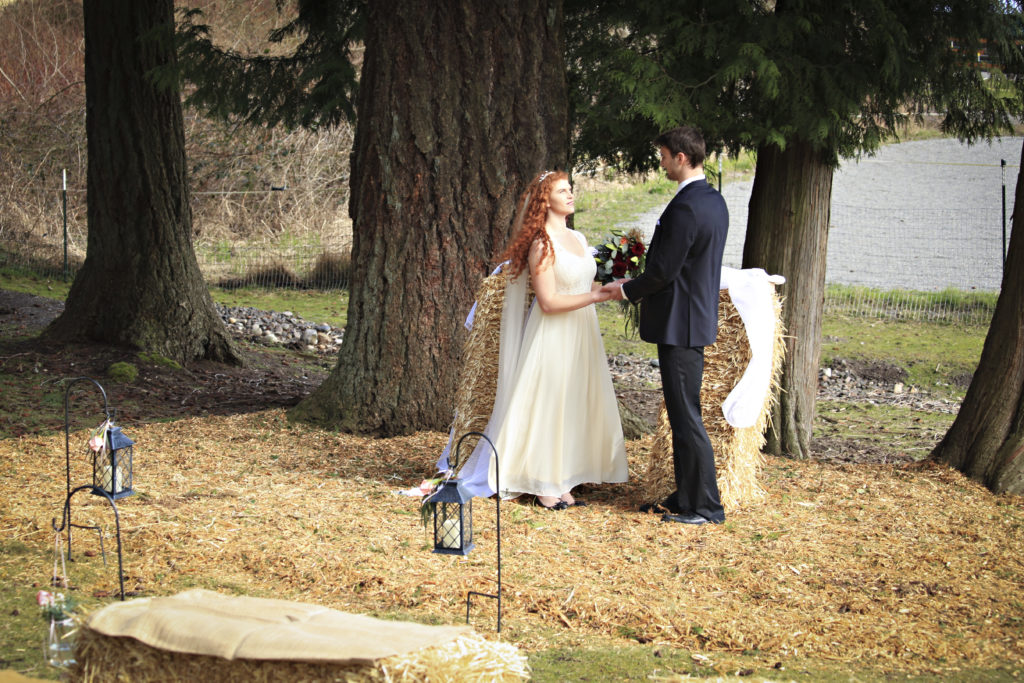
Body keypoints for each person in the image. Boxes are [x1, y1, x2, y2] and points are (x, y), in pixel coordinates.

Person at [448, 170, 628, 509]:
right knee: (549, 403)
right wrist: (598, 297)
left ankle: (564, 478)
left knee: (572, 403)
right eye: (563, 191)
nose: (571, 194)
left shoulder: (577, 237)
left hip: (582, 331)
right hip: (553, 331)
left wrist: (608, 288)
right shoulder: (542, 243)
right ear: (545, 201)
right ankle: (543, 481)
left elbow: (578, 284)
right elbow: (549, 301)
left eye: (570, 189)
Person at [602, 126, 728, 525]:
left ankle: (707, 507)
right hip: (692, 319)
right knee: (681, 413)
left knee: (686, 415)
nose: (661, 162)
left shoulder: (686, 207)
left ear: (681, 157)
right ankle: (687, 496)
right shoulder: (714, 201)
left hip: (681, 325)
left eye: (664, 155)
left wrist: (625, 290)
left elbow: (663, 272)